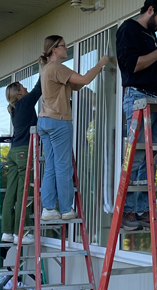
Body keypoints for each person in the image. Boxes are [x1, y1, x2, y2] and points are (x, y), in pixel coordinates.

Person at [116, 0, 157, 231]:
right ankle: (127, 211)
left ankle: (141, 209)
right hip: (138, 97)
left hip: (154, 99)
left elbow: (149, 66)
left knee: (150, 159)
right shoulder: (129, 30)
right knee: (135, 156)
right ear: (150, 10)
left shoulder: (151, 36)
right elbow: (133, 65)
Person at [37, 35, 108, 221]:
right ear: (54, 49)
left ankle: (49, 208)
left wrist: (95, 73)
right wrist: (101, 63)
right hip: (59, 120)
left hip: (44, 121)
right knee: (63, 166)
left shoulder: (46, 69)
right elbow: (84, 80)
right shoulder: (58, 68)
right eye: (63, 46)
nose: (66, 48)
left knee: (51, 166)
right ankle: (67, 209)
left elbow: (75, 86)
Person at [0, 79, 42, 245]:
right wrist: (45, 67)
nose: (26, 89)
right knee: (23, 193)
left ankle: (7, 232)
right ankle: (22, 233)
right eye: (23, 87)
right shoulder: (24, 103)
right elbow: (38, 89)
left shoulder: (15, 108)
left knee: (11, 193)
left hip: (14, 152)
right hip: (24, 152)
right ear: (19, 93)